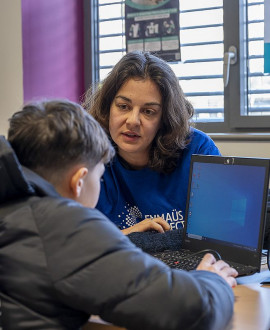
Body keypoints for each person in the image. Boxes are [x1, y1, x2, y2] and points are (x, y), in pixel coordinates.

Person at [0, 99, 237, 330]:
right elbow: (191, 312)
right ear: (79, 181)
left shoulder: (14, 208)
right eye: (99, 175)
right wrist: (212, 279)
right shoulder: (61, 227)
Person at [82, 50, 221, 236]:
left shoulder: (198, 150)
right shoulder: (88, 154)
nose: (132, 121)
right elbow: (75, 242)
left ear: (165, 118)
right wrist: (130, 235)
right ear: (108, 107)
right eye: (123, 106)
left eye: (148, 111)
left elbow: (219, 232)